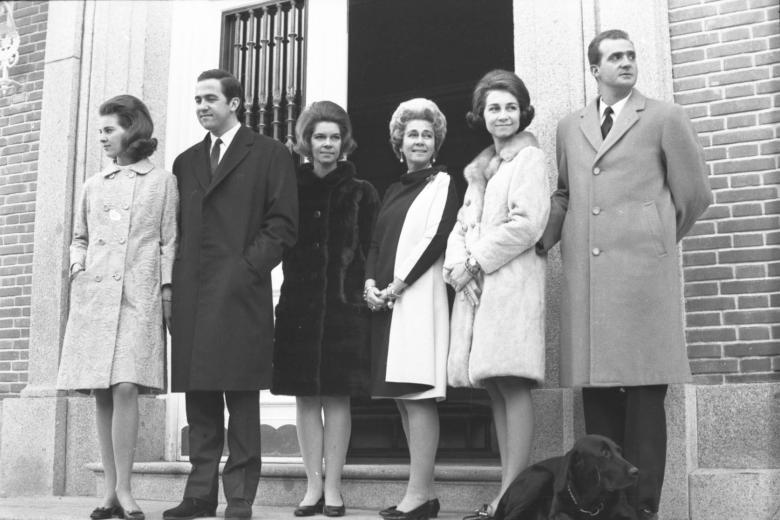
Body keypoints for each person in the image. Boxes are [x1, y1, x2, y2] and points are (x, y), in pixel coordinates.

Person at [536, 30, 712, 520]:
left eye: (632, 55)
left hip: (642, 282)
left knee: (644, 403)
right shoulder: (569, 126)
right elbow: (566, 192)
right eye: (616, 57)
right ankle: (605, 509)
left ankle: (642, 510)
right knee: (599, 405)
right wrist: (544, 241)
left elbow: (694, 195)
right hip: (589, 286)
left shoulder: (665, 118)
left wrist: (653, 238)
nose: (627, 62)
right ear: (595, 69)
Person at [163, 69, 298, 520]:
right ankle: (199, 494)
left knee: (241, 397)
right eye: (196, 99)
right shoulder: (184, 163)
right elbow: (176, 231)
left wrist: (247, 269)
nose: (201, 106)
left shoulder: (270, 154)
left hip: (241, 292)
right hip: (193, 295)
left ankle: (240, 497)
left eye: (210, 99)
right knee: (199, 397)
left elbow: (282, 224)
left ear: (235, 103)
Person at [56, 94, 178, 520]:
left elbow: (169, 240)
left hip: (137, 294)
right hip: (95, 297)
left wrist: (165, 292)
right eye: (100, 130)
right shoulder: (93, 184)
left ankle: (126, 488)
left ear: (133, 129)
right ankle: (109, 491)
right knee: (102, 392)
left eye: (110, 129)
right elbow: (79, 237)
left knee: (127, 384)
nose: (103, 137)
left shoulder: (161, 181)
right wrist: (77, 268)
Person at [444, 70, 550, 520]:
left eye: (510, 106)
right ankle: (508, 494)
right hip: (479, 289)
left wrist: (475, 263)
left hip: (510, 287)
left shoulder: (530, 161)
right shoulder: (481, 169)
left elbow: (527, 224)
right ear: (480, 115)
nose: (502, 115)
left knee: (512, 381)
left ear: (522, 111)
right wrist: (457, 270)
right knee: (495, 387)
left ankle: (512, 498)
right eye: (493, 108)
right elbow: (462, 226)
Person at [271, 101, 380, 517]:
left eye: (335, 137)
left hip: (344, 309)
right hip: (299, 306)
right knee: (304, 399)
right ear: (307, 141)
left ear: (345, 141)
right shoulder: (289, 187)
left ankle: (333, 486)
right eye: (320, 137)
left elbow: (372, 247)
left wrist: (364, 292)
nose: (328, 145)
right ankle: (311, 486)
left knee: (337, 398)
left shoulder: (361, 191)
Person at [365, 98, 459, 520]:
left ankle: (419, 495)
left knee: (419, 396)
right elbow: (375, 243)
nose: (418, 140)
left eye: (426, 134)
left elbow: (436, 238)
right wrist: (370, 284)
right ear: (398, 142)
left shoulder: (442, 183)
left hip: (416, 300)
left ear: (435, 143)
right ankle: (421, 494)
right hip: (387, 304)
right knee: (403, 399)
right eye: (411, 134)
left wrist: (396, 285)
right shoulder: (393, 189)